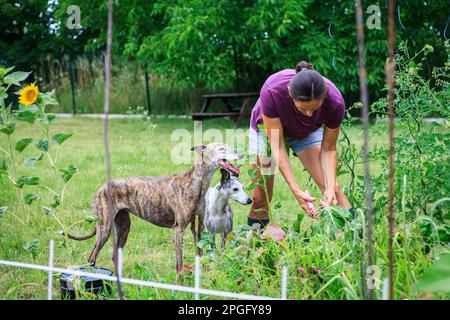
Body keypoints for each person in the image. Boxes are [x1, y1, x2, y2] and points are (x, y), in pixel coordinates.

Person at [247, 61, 354, 228]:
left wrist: (330, 188)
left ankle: (358, 239)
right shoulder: (272, 91)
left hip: (305, 132)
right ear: (290, 94)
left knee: (334, 190)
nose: (310, 114)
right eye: (303, 108)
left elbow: (329, 149)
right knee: (261, 197)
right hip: (267, 132)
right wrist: (296, 190)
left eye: (315, 108)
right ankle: (257, 243)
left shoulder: (335, 102)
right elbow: (278, 145)